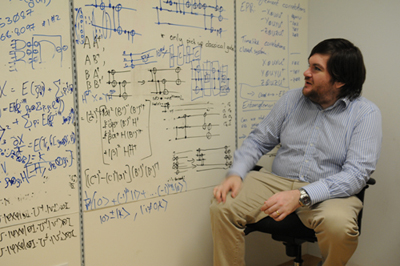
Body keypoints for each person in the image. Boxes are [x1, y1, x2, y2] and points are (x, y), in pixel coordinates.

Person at [210, 38, 382, 266]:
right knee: (223, 206)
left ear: (339, 81)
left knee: (339, 228)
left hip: (328, 192)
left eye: (316, 69)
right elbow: (259, 140)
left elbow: (356, 175)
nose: (306, 73)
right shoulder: (291, 99)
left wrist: (302, 196)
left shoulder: (366, 114)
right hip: (277, 182)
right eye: (309, 65)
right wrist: (236, 173)